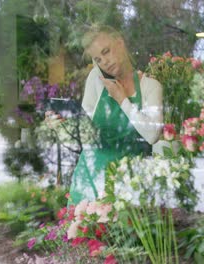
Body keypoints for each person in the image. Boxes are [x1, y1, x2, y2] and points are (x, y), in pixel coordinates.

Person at [68, 25, 163, 205]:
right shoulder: (97, 81)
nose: (105, 61)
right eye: (98, 59)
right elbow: (84, 130)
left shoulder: (150, 86)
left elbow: (152, 135)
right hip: (88, 184)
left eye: (107, 51)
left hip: (127, 189)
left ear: (120, 43)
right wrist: (62, 123)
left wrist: (122, 100)